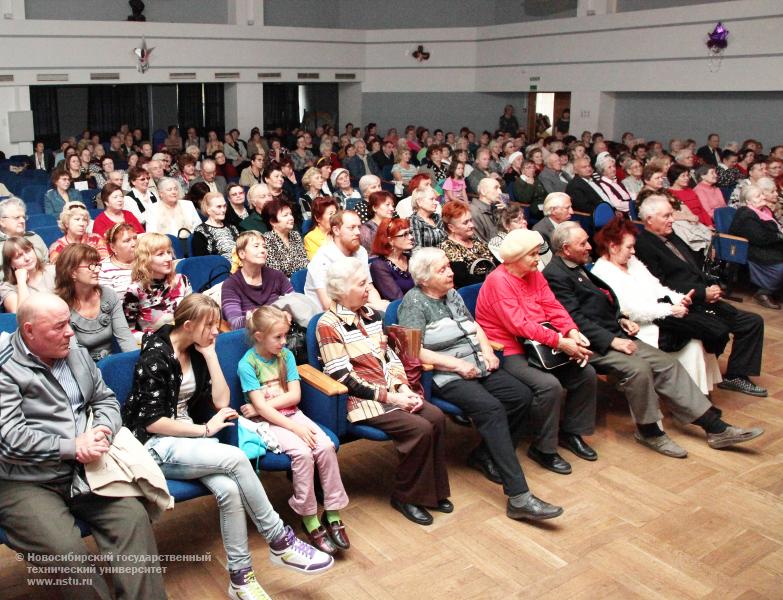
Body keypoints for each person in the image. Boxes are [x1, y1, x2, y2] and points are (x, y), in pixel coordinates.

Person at [122, 295, 333, 599]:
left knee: (230, 490)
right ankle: (279, 539)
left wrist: (210, 355)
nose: (216, 331)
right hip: (155, 444)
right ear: (188, 325)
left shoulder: (196, 350)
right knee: (235, 458)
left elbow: (220, 401)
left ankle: (240, 579)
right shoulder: (155, 355)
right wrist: (204, 429)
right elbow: (153, 422)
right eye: (209, 326)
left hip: (188, 440)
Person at [544, 222, 764, 457]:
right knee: (638, 369)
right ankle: (649, 432)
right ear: (566, 249)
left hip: (614, 332)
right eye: (582, 243)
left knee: (668, 364)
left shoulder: (577, 264)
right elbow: (574, 319)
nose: (589, 246)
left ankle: (715, 427)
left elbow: (601, 301)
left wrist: (621, 319)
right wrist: (612, 341)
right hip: (590, 343)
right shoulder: (556, 274)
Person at [0, 293, 166, 600]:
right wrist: (72, 446)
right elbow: (8, 439)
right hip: (25, 480)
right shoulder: (5, 368)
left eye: (69, 323)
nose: (70, 332)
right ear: (29, 331)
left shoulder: (73, 350)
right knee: (67, 555)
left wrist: (103, 428)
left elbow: (104, 398)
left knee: (132, 519)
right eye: (59, 326)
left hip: (85, 470)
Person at [398, 248, 563, 520]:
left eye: (449, 266)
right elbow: (412, 352)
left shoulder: (452, 294)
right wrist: (456, 365)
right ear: (424, 279)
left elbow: (474, 326)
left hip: (478, 363)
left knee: (522, 396)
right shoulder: (413, 303)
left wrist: (486, 350)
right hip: (446, 374)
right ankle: (519, 497)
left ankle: (485, 454)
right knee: (491, 409)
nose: (451, 272)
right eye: (442, 270)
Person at [317, 258, 452, 526]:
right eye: (361, 284)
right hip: (362, 401)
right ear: (341, 290)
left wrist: (403, 386)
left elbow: (390, 357)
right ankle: (406, 496)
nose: (369, 288)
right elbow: (343, 376)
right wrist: (393, 397)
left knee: (436, 417)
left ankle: (432, 490)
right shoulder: (328, 325)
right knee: (419, 429)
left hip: (392, 391)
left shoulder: (371, 314)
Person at [475, 229, 598, 472]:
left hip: (541, 343)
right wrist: (560, 342)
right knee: (548, 386)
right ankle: (543, 448)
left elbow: (553, 306)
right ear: (516, 257)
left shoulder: (533, 273)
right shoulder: (498, 281)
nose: (537, 259)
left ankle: (571, 432)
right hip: (509, 348)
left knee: (586, 375)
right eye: (532, 255)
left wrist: (571, 331)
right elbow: (518, 325)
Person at [239, 306, 350, 555]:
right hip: (269, 423)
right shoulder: (247, 364)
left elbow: (294, 395)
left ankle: (332, 511)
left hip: (291, 414)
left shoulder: (286, 356)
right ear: (258, 336)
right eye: (277, 337)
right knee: (302, 453)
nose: (284, 341)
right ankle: (308, 515)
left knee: (325, 446)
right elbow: (265, 411)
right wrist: (288, 424)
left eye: (284, 335)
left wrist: (259, 407)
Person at [634, 195, 767, 397]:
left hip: (701, 296)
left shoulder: (672, 236)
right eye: (666, 216)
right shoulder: (644, 245)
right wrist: (703, 294)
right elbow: (661, 284)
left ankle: (736, 376)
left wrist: (711, 285)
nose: (672, 219)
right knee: (718, 331)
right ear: (649, 219)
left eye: (671, 214)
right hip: (683, 304)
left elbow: (693, 268)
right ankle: (700, 378)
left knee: (752, 322)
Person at [591, 217, 722, 394]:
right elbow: (631, 312)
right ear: (613, 246)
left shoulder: (632, 262)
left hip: (661, 317)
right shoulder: (602, 272)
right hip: (640, 328)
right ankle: (692, 398)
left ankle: (699, 395)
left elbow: (658, 288)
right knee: (695, 341)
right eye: (629, 247)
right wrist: (670, 309)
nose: (633, 251)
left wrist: (679, 299)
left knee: (701, 338)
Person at [54, 243, 136, 361]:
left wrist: (137, 364)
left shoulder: (108, 295)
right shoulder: (59, 305)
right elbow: (73, 354)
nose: (97, 270)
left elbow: (125, 337)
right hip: (80, 367)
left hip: (109, 364)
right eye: (91, 266)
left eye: (98, 265)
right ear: (72, 272)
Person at [305, 210, 387, 311]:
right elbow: (328, 304)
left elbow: (369, 287)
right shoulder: (321, 259)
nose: (358, 232)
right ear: (336, 230)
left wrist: (379, 306)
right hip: (329, 317)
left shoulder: (360, 251)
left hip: (357, 306)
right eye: (352, 228)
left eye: (359, 227)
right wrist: (370, 307)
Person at [123, 233, 192, 340]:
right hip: (158, 346)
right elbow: (128, 331)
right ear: (145, 259)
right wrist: (152, 340)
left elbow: (194, 315)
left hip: (187, 339)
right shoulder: (135, 291)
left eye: (169, 252)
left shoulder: (182, 280)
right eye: (160, 254)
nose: (169, 258)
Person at [222, 231, 294, 330]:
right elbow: (235, 323)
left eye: (264, 247)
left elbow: (294, 303)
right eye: (256, 246)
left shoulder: (277, 276)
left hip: (283, 334)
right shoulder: (231, 285)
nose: (263, 250)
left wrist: (289, 313)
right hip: (251, 338)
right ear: (242, 254)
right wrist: (272, 317)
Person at [729, 184, 783, 309]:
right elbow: (760, 238)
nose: (762, 197)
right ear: (748, 201)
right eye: (758, 196)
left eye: (762, 194)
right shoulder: (746, 214)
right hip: (751, 249)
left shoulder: (764, 210)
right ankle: (764, 292)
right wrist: (780, 237)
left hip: (767, 245)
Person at [440, 200, 497, 288]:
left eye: (471, 220)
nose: (471, 225)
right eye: (465, 222)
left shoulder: (475, 240)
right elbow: (463, 279)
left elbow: (495, 262)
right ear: (452, 228)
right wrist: (493, 280)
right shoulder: (448, 246)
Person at [0, 236, 57, 312]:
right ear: (11, 264)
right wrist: (21, 282)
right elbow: (20, 314)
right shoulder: (7, 287)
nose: (27, 258)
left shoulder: (53, 270)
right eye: (18, 256)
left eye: (28, 251)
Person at [0, 197, 50, 274]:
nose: (22, 221)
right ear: (2, 222)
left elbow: (47, 265)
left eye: (24, 217)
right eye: (17, 218)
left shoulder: (34, 238)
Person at [369, 218, 414, 301]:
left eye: (410, 233)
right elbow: (397, 298)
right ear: (390, 241)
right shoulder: (379, 266)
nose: (411, 237)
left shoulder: (411, 258)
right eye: (405, 234)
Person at [262, 199, 309, 277]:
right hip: (282, 285)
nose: (291, 218)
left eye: (291, 214)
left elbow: (305, 262)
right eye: (285, 215)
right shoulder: (267, 240)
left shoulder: (295, 235)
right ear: (273, 222)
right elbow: (276, 271)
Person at [192, 191, 239, 262]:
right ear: (208, 209)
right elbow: (202, 261)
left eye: (224, 206)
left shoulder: (232, 227)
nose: (223, 210)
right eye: (219, 207)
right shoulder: (200, 231)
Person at [98, 222, 138, 301]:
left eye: (135, 238)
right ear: (113, 247)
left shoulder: (146, 261)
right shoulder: (103, 269)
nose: (134, 243)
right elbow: (108, 304)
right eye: (127, 241)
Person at [470, 177, 505, 244]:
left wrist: (504, 212)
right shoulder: (473, 212)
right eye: (496, 188)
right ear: (483, 192)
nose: (500, 192)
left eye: (500, 188)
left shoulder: (496, 208)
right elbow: (480, 242)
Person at [304, 196, 339, 260]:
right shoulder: (310, 238)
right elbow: (317, 264)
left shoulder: (339, 232)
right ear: (318, 218)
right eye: (331, 214)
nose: (335, 217)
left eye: (336, 213)